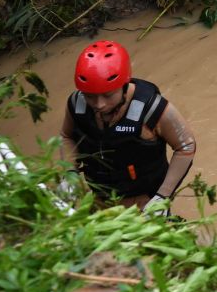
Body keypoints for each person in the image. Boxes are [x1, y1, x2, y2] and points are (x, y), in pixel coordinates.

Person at [60, 40, 196, 213]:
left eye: (108, 95)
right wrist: (69, 172)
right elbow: (66, 136)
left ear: (123, 86)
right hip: (101, 199)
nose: (99, 104)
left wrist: (162, 197)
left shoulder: (151, 109)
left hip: (145, 202)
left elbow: (185, 146)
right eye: (90, 96)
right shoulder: (76, 104)